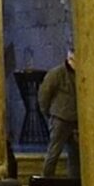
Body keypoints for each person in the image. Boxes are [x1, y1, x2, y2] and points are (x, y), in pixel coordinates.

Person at [38, 50, 79, 178]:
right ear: (70, 59)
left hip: (76, 120)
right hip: (60, 118)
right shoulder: (57, 73)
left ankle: (75, 183)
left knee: (75, 155)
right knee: (54, 152)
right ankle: (47, 179)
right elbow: (44, 94)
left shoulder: (80, 74)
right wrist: (48, 112)